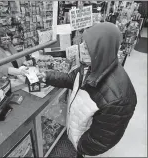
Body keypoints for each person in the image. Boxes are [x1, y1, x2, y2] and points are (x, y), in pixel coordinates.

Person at [37, 22, 137, 157]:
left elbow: (101, 141)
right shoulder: (93, 65)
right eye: (83, 44)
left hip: (89, 152)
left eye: (88, 46)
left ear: (102, 49)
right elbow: (73, 79)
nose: (81, 49)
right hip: (79, 138)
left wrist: (80, 147)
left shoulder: (119, 97)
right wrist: (47, 76)